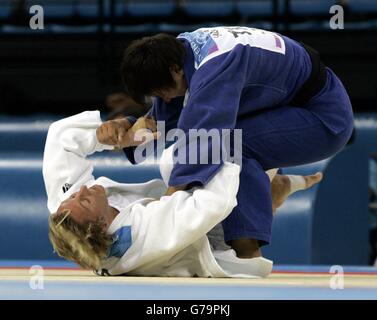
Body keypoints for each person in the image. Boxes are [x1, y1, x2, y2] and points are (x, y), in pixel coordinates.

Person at [120, 26, 354, 259]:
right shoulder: (180, 51)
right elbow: (170, 113)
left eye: (163, 92)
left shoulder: (216, 66)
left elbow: (203, 137)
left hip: (324, 116)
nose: (166, 99)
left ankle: (247, 247)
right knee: (217, 138)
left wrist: (167, 204)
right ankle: (273, 184)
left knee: (230, 144)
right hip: (285, 103)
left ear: (175, 69)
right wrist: (131, 130)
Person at [44, 110, 321, 277]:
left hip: (182, 217)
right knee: (184, 159)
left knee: (187, 159)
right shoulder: (140, 236)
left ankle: (267, 192)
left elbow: (60, 138)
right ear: (103, 225)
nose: (79, 191)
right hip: (210, 248)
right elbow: (212, 205)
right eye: (85, 200)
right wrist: (227, 146)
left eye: (72, 196)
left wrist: (108, 135)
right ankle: (261, 198)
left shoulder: (65, 215)